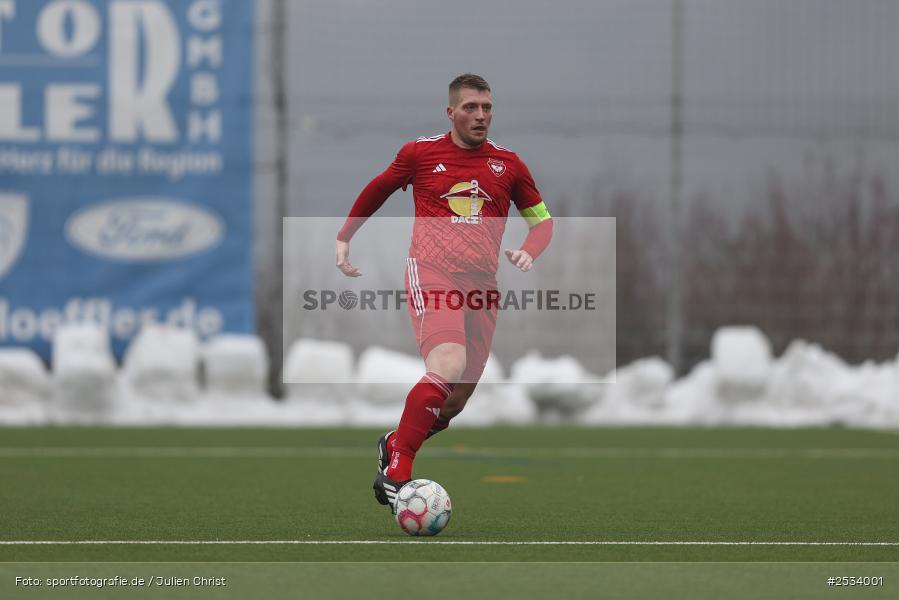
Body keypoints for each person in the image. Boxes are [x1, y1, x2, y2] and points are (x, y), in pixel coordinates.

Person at [335, 73, 553, 512]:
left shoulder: (508, 165)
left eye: (487, 107)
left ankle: (395, 442)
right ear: (450, 112)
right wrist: (345, 236)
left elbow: (542, 220)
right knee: (447, 363)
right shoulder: (420, 153)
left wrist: (531, 250)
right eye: (471, 107)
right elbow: (378, 189)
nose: (480, 115)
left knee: (454, 401)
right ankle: (398, 472)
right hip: (432, 272)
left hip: (482, 286)